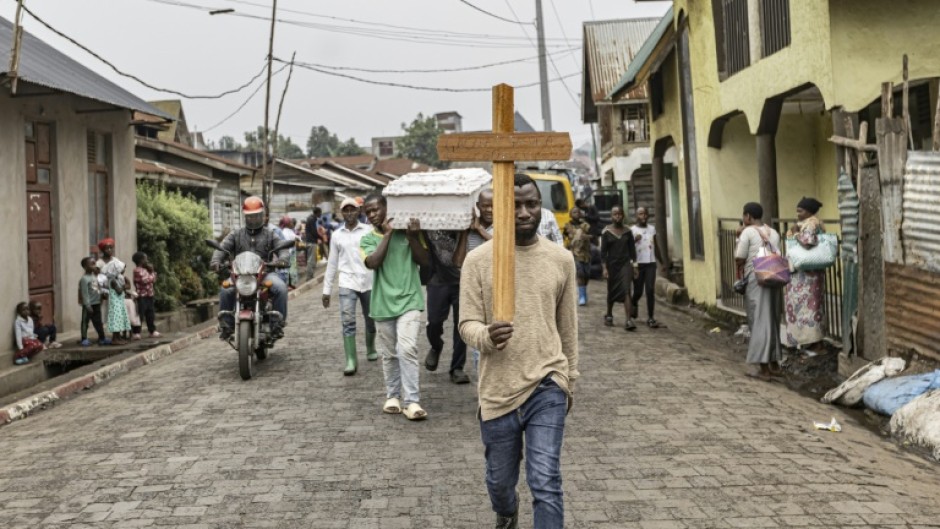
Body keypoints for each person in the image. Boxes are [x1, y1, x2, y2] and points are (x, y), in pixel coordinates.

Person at [459, 173, 579, 529]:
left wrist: (569, 380)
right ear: (498, 210)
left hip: (547, 383)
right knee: (499, 481)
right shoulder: (478, 261)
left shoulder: (561, 260)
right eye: (515, 205)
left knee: (545, 480)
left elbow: (568, 328)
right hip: (498, 390)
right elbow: (466, 323)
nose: (525, 212)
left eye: (532, 203)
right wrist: (486, 336)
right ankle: (506, 511)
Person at [360, 193, 430, 421]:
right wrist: (387, 235)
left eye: (376, 209)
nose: (372, 215)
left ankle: (412, 401)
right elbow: (373, 262)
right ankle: (393, 396)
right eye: (368, 212)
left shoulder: (408, 233)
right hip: (382, 304)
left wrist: (411, 237)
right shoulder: (367, 239)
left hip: (410, 301)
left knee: (407, 349)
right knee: (389, 354)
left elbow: (425, 261)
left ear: (387, 208)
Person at [210, 196, 290, 342]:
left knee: (281, 288)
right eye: (250, 216)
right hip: (240, 276)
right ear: (245, 216)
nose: (253, 219)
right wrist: (216, 260)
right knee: (225, 289)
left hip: (264, 274)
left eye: (256, 216)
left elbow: (282, 248)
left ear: (262, 215)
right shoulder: (236, 234)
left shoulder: (270, 234)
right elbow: (222, 248)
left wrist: (283, 259)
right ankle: (226, 326)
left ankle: (277, 324)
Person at [322, 197, 376, 376]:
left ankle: (370, 347)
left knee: (370, 319)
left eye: (353, 209)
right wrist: (326, 290)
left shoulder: (369, 231)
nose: (350, 213)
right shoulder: (337, 235)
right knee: (348, 321)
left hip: (368, 281)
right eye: (346, 210)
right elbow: (332, 263)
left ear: (359, 211)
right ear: (341, 213)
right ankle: (351, 360)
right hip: (347, 282)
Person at [735, 202, 783, 381]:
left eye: (744, 216)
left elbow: (739, 257)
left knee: (758, 320)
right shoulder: (774, 232)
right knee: (772, 319)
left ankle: (764, 369)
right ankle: (774, 363)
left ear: (747, 216)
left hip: (757, 279)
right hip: (774, 276)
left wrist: (738, 238)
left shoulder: (747, 232)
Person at [423, 227, 471, 385]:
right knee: (434, 322)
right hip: (437, 279)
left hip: (462, 279)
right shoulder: (427, 221)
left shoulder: (463, 222)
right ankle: (436, 346)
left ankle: (457, 367)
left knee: (461, 326)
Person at [457, 189, 494, 372]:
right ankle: (483, 393)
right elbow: (458, 261)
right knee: (478, 345)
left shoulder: (504, 228)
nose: (489, 209)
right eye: (485, 205)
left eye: (493, 205)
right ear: (478, 207)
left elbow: (501, 249)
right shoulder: (470, 231)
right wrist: (466, 231)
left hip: (495, 291)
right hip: (475, 293)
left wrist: (479, 230)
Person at [785, 197, 826, 347]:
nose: (797, 213)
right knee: (807, 309)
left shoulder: (811, 224)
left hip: (807, 276)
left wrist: (795, 233)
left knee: (808, 309)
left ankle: (814, 343)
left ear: (809, 211)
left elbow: (808, 243)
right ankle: (809, 342)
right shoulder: (809, 223)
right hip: (806, 275)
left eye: (800, 210)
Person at [601, 206, 638, 331]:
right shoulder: (606, 232)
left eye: (620, 214)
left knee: (627, 290)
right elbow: (603, 253)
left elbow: (633, 251)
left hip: (625, 264)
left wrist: (635, 266)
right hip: (612, 265)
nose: (617, 216)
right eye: (615, 214)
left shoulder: (628, 232)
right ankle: (609, 314)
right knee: (611, 290)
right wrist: (604, 268)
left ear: (623, 216)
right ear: (611, 216)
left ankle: (628, 320)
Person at [630, 207, 664, 328]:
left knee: (650, 290)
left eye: (645, 214)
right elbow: (628, 248)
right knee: (638, 291)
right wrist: (634, 240)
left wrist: (662, 262)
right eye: (640, 214)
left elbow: (656, 246)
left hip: (650, 263)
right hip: (638, 265)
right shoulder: (632, 230)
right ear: (636, 216)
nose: (643, 216)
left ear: (648, 216)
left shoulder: (652, 229)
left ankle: (650, 317)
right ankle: (633, 302)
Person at [96, 238, 132, 345]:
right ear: (102, 250)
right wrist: (103, 291)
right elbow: (100, 278)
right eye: (106, 248)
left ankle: (118, 336)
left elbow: (121, 272)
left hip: (117, 292)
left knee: (119, 314)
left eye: (111, 247)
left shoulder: (115, 260)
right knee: (112, 315)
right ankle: (114, 337)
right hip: (109, 291)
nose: (109, 250)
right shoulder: (99, 263)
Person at [563, 207, 593, 306]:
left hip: (586, 253)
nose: (576, 214)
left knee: (587, 275)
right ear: (570, 214)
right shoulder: (567, 226)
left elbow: (593, 236)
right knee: (580, 274)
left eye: (578, 212)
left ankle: (583, 292)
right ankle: (581, 297)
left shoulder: (585, 225)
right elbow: (564, 238)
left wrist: (587, 237)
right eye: (574, 212)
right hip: (575, 253)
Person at [79, 257, 108, 346]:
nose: (94, 266)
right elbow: (84, 293)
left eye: (94, 263)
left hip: (96, 303)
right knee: (85, 321)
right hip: (89, 305)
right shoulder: (84, 279)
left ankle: (102, 338)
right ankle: (84, 338)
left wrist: (102, 295)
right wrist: (87, 305)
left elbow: (97, 288)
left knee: (98, 322)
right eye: (92, 264)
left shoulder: (94, 277)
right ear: (85, 266)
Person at [132, 252, 160, 338]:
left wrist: (151, 273)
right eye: (145, 259)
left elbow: (153, 279)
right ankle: (136, 332)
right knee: (140, 314)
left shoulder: (146, 269)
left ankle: (152, 330)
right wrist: (152, 273)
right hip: (142, 296)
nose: (147, 260)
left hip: (149, 294)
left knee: (150, 313)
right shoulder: (137, 270)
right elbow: (145, 280)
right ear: (140, 260)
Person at [279, 216, 300, 288]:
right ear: (287, 224)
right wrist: (298, 238)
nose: (292, 224)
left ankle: (290, 284)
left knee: (290, 269)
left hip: (289, 252)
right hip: (289, 252)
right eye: (290, 222)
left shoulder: (286, 230)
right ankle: (290, 284)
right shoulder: (286, 231)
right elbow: (296, 238)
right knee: (290, 269)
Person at [305, 207, 320, 280]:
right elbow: (314, 232)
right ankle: (309, 276)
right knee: (311, 260)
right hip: (311, 242)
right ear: (317, 213)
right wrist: (320, 237)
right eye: (320, 212)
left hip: (309, 241)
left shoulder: (310, 219)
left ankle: (310, 275)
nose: (321, 214)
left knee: (311, 259)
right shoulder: (312, 219)